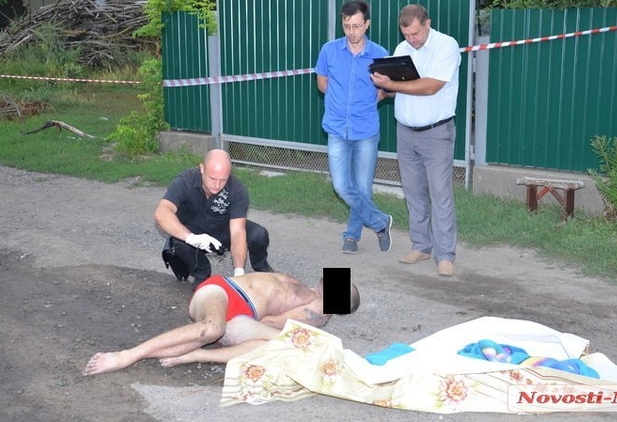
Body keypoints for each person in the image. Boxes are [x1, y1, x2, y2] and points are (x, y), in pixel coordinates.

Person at [83, 272, 361, 375]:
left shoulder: (319, 310)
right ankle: (128, 355)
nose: (332, 277)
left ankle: (192, 355)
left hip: (242, 316)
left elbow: (270, 322)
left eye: (340, 284)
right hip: (223, 290)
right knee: (213, 328)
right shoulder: (308, 288)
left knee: (215, 331)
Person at [370, 4, 461, 277]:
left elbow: (431, 86)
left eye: (416, 33)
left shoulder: (446, 45)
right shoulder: (402, 48)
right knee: (413, 192)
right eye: (406, 34)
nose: (412, 39)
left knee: (440, 194)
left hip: (437, 132)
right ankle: (421, 246)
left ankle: (445, 255)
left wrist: (392, 85)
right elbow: (399, 88)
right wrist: (384, 88)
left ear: (427, 23)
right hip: (406, 132)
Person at [315, 0, 393, 255]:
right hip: (337, 129)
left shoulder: (379, 53)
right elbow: (322, 84)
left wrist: (372, 98)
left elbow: (387, 89)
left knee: (362, 188)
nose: (352, 31)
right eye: (347, 26)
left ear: (367, 24)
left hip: (366, 130)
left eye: (357, 26)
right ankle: (381, 222)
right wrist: (339, 102)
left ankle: (351, 236)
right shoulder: (329, 50)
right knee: (341, 185)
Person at [155, 149, 273, 284]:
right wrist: (191, 238)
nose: (217, 185)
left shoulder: (237, 189)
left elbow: (237, 232)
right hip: (194, 234)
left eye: (223, 180)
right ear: (202, 169)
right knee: (179, 241)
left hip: (223, 230)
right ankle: (202, 272)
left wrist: (239, 272)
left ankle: (261, 267)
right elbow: (161, 212)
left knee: (259, 234)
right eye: (212, 178)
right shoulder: (184, 182)